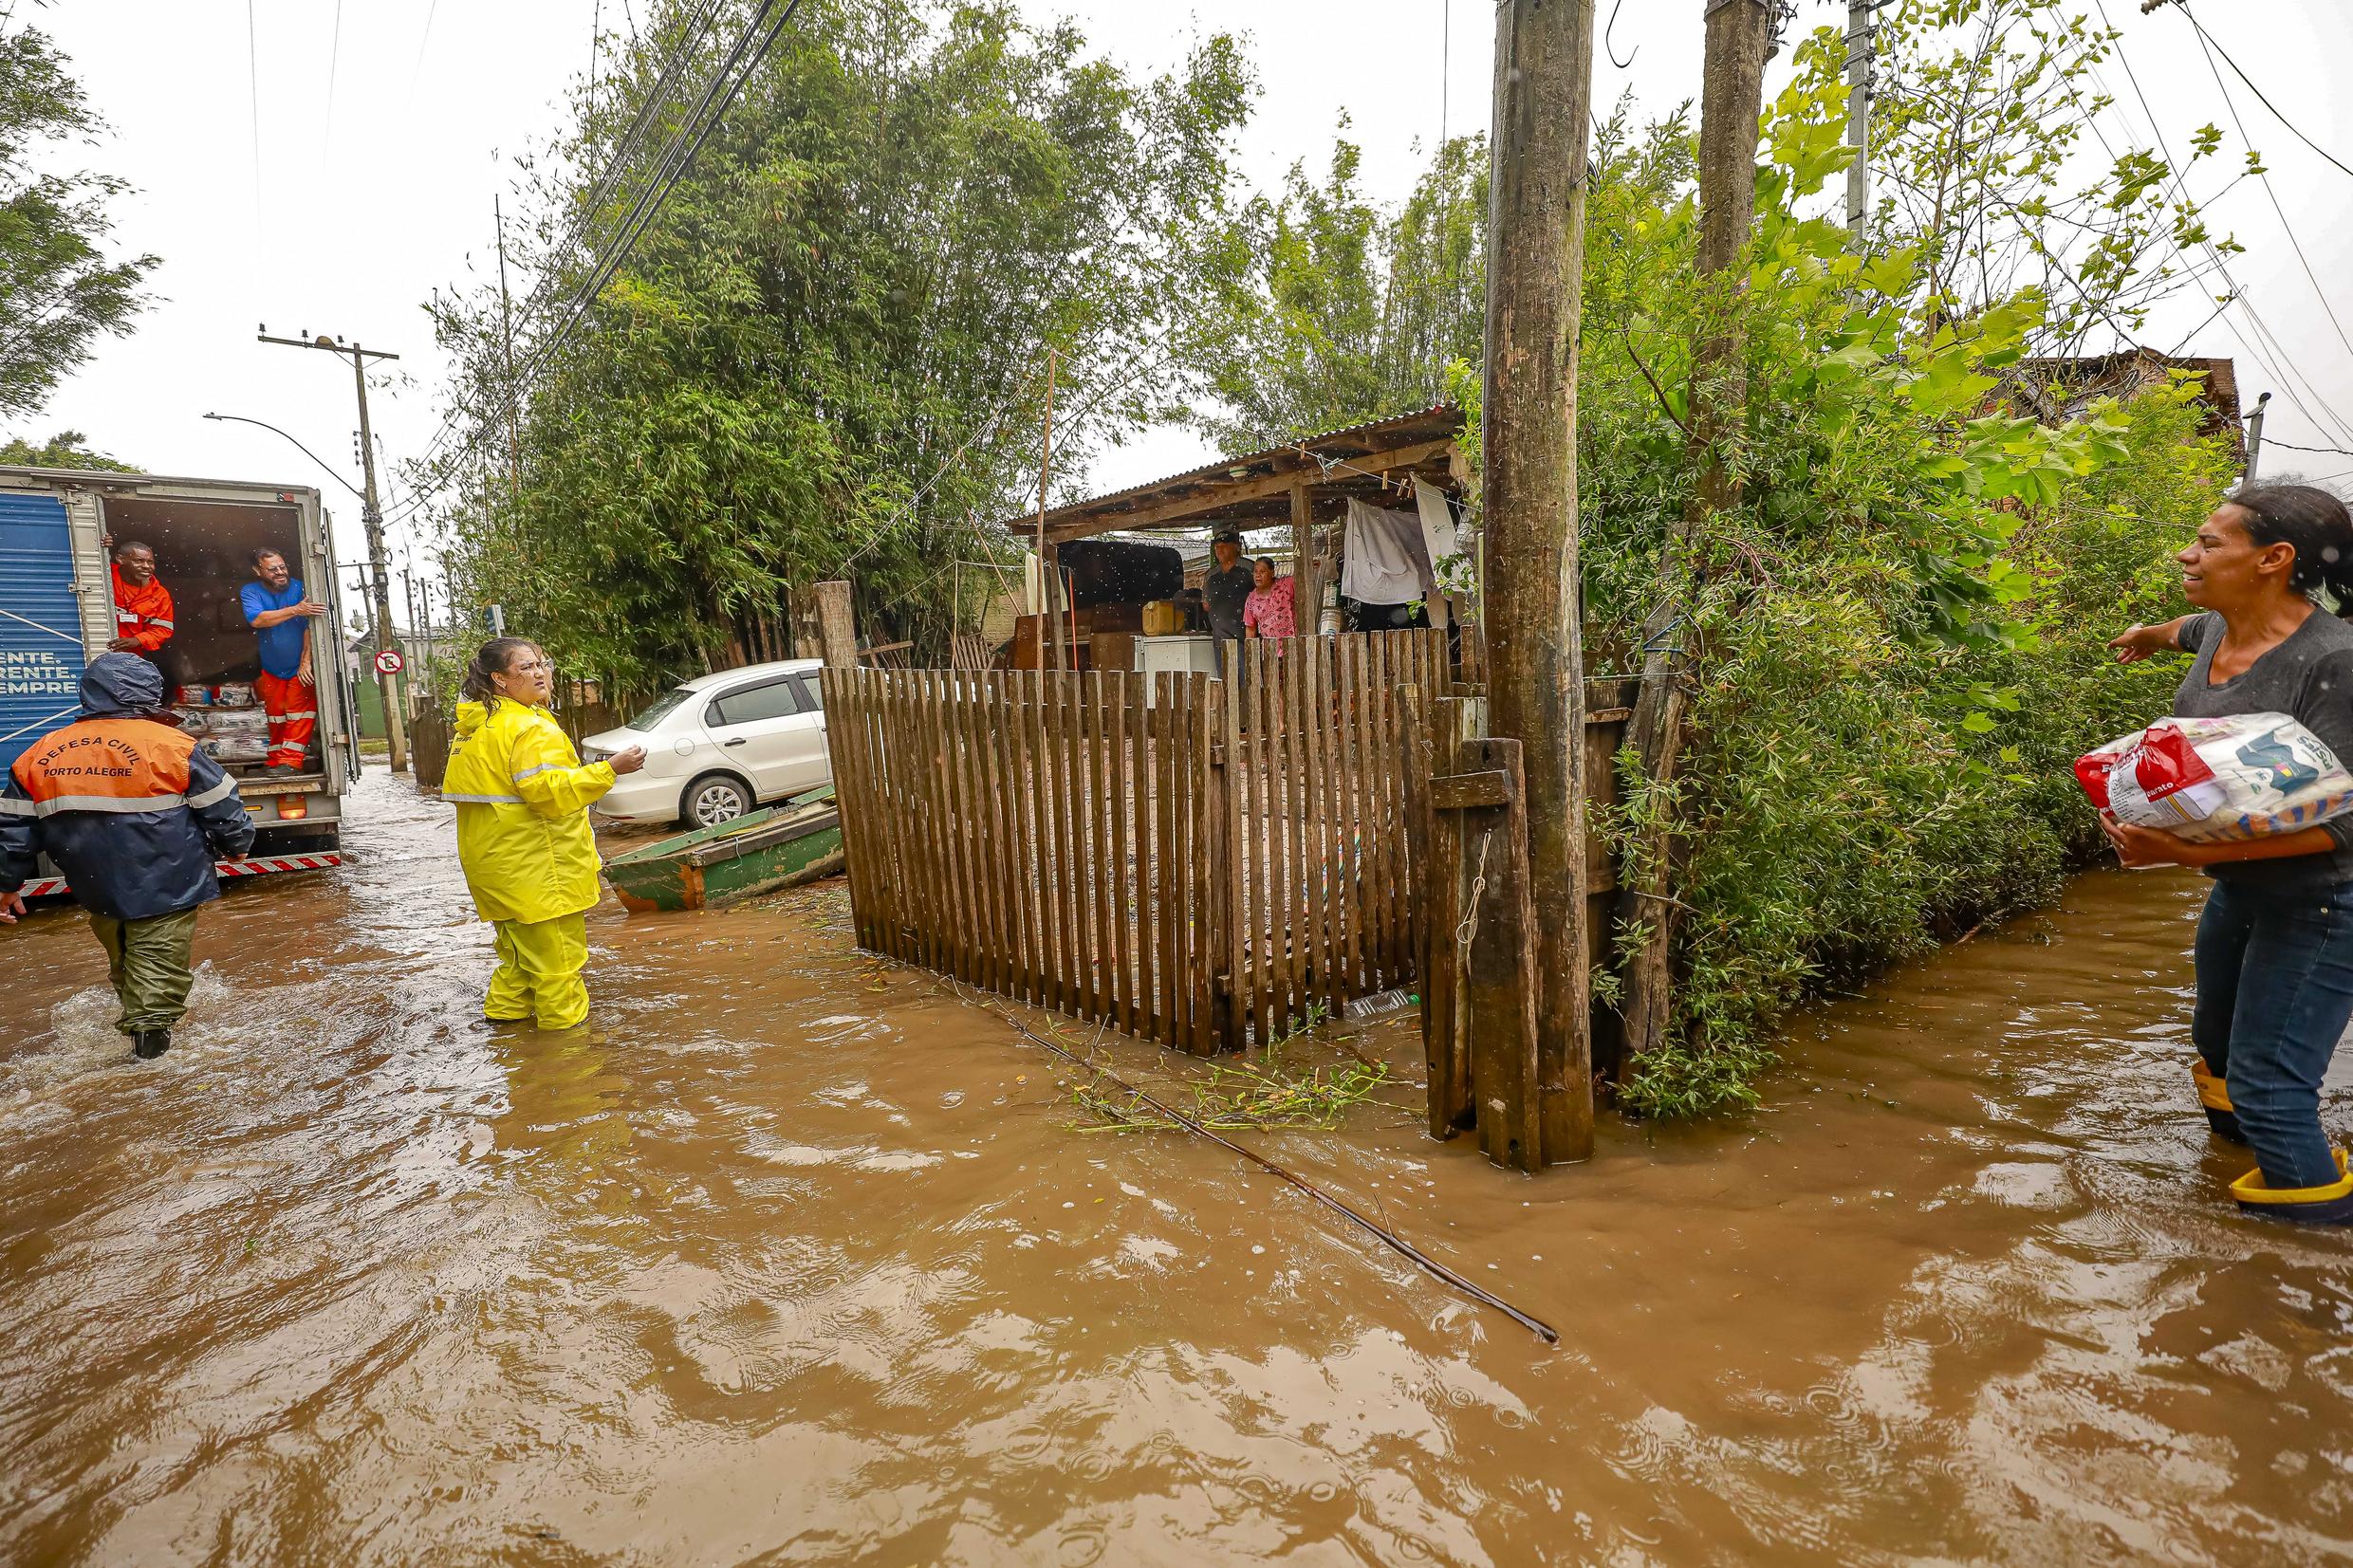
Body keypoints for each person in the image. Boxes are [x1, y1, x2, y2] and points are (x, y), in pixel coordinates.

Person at [2107, 484, 2353, 1224]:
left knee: (2270, 1084)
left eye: (2211, 543)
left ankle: (2304, 1264)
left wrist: (2179, 855)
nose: (2190, 552)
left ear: (2273, 560)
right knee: (2215, 1040)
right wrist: (2149, 632)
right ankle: (2246, 1160)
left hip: (2328, 897)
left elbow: (2348, 826)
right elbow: (2188, 630)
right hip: (2245, 886)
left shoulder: (2334, 662)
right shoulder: (2221, 628)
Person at [0, 654, 253, 1060]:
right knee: (158, 961)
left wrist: (8, 883)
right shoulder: (172, 746)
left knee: (122, 955)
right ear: (148, 695)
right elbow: (221, 803)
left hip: (95, 885)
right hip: (169, 878)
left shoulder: (40, 753)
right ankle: (150, 1052)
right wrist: (237, 843)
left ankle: (136, 1027)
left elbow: (14, 828)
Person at [442, 637, 645, 1030]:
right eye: (525, 667)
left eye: (541, 664)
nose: (539, 673)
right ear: (499, 679)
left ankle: (509, 1043)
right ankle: (567, 1065)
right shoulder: (530, 728)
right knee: (559, 970)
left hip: (496, 869)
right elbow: (550, 794)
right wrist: (611, 769)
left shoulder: (476, 726)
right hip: (538, 870)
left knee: (518, 962)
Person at [238, 547, 324, 776]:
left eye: (282, 567)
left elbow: (312, 627)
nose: (280, 572)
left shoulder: (301, 588)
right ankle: (276, 760)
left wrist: (306, 661)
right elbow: (257, 619)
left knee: (299, 714)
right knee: (275, 715)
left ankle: (291, 762)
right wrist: (296, 609)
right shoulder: (251, 591)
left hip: (299, 667)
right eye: (272, 569)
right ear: (257, 570)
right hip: (272, 668)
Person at [102, 536, 175, 661]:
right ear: (120, 559)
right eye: (138, 561)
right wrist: (101, 540)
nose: (146, 566)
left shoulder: (159, 594)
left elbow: (163, 629)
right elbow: (87, 554)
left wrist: (138, 640)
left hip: (130, 658)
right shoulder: (103, 575)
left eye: (150, 562)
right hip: (97, 648)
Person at [1201, 528, 1253, 680]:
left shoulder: (1249, 568)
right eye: (1217, 547)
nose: (1219, 550)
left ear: (1236, 547)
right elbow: (1206, 604)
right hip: (1221, 640)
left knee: (1249, 685)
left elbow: (1263, 597)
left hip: (1246, 639)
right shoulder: (1211, 575)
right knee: (1227, 684)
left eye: (1224, 545)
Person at [1242, 556, 1296, 640]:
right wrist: (1250, 650)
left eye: (1262, 571)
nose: (1258, 575)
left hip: (1293, 645)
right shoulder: (1251, 599)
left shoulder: (1286, 585)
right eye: (1255, 572)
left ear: (1272, 573)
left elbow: (1303, 577)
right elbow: (1250, 628)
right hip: (1270, 649)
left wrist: (1311, 567)